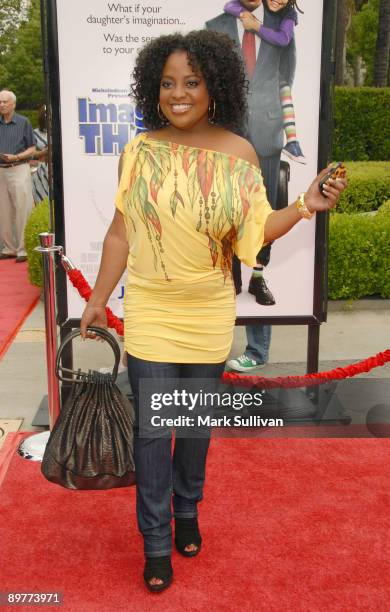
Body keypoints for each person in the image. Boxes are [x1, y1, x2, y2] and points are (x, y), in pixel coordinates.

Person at [80, 30, 346, 592]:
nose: (178, 94)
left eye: (191, 83)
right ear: (154, 89)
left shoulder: (240, 152)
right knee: (154, 432)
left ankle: (187, 511)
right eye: (168, 83)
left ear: (214, 87)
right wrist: (98, 299)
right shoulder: (139, 150)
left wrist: (303, 206)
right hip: (152, 308)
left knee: (193, 426)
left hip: (206, 312)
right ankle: (155, 542)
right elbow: (120, 233)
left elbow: (255, 235)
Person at [207, 0, 295, 371]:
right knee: (220, 237)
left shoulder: (280, 22)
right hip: (223, 141)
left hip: (267, 137)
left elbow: (285, 76)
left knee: (260, 235)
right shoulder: (215, 25)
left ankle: (257, 350)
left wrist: (285, 129)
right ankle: (211, 343)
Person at [224, 0, 306, 163]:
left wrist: (256, 27)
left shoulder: (289, 15)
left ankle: (292, 141)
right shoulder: (252, 6)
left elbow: (284, 39)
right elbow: (228, 6)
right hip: (249, 88)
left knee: (284, 91)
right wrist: (243, 13)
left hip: (274, 76)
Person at [0, 90, 36, 263]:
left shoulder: (24, 122)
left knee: (23, 209)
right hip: (1, 170)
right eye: (0, 102)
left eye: (5, 102)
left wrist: (17, 157)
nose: (2, 105)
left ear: (13, 104)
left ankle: (23, 249)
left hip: (19, 167)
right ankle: (9, 248)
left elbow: (32, 148)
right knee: (3, 211)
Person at [31, 105, 49, 204]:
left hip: (60, 169)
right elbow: (31, 154)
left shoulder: (62, 131)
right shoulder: (35, 133)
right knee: (43, 201)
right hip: (42, 170)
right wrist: (44, 152)